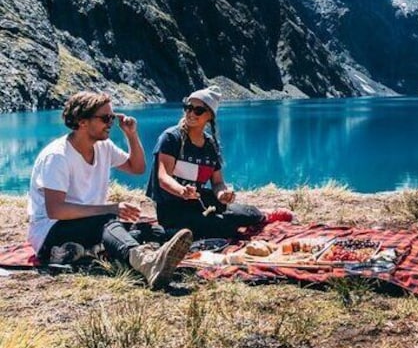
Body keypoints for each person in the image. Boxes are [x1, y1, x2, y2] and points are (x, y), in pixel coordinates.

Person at [27, 91, 193, 289]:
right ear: (82, 121)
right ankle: (146, 262)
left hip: (89, 222)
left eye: (112, 117)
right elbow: (56, 210)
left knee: (150, 230)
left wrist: (131, 135)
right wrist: (110, 208)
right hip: (50, 232)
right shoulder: (57, 156)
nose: (110, 123)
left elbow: (137, 167)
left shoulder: (103, 146)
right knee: (109, 222)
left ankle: (79, 251)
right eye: (105, 118)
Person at [147, 86, 266, 239]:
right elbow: (163, 178)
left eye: (198, 110)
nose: (191, 113)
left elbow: (217, 182)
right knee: (223, 227)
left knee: (251, 215)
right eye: (188, 108)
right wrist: (182, 191)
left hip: (198, 202)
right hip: (171, 206)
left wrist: (223, 194)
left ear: (210, 115)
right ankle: (169, 232)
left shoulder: (210, 145)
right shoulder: (171, 138)